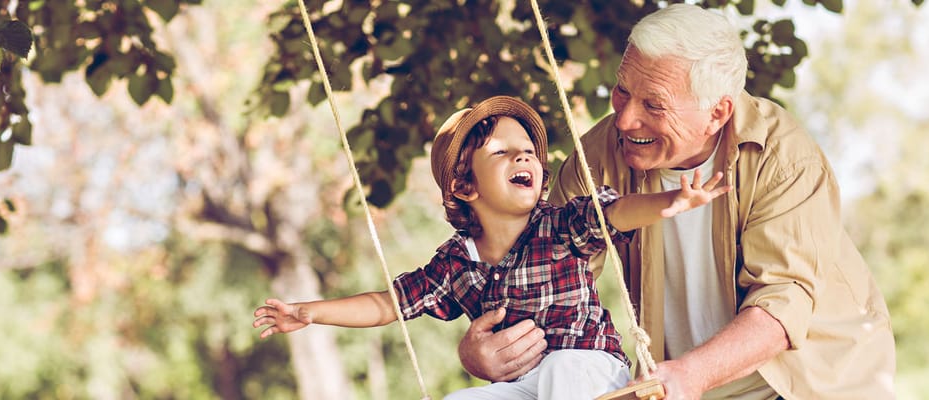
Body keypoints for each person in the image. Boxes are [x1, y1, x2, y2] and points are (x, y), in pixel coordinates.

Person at [456, 4, 896, 400]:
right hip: (686, 383)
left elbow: (783, 302)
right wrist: (488, 351)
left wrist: (692, 373)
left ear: (717, 113)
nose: (626, 119)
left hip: (812, 381)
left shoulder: (783, 157)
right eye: (622, 91)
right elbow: (541, 274)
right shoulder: (597, 158)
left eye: (654, 104)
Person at [253, 96, 730, 400]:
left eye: (528, 151)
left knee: (565, 369)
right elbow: (387, 304)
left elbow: (617, 213)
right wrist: (311, 312)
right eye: (501, 153)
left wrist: (672, 201)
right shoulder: (456, 264)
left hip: (590, 374)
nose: (523, 157)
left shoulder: (561, 225)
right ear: (464, 186)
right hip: (525, 387)